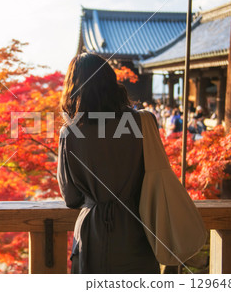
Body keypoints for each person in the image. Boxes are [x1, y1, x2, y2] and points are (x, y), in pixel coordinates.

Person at [57, 53, 160, 274]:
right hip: (139, 231)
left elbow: (71, 197)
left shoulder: (71, 133)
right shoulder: (143, 122)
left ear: (73, 87)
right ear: (111, 81)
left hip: (92, 237)